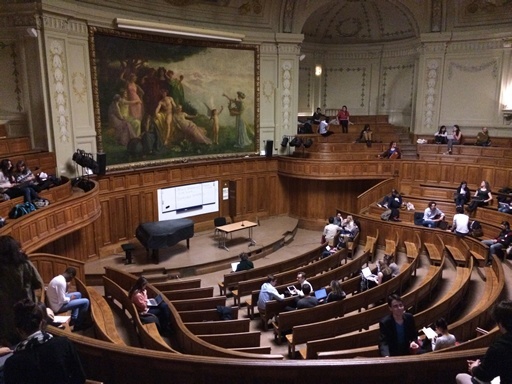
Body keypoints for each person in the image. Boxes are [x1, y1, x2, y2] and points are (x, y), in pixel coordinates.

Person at [3, 298, 86, 384]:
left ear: (19, 330)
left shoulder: (12, 363)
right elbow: (80, 378)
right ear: (42, 323)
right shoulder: (64, 344)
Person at [0, 235, 43, 346]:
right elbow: (38, 283)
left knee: (12, 343)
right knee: (30, 341)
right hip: (26, 308)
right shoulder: (24, 263)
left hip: (6, 313)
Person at [455, 300, 512, 384]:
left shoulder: (499, 347)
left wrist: (474, 367)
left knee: (460, 377)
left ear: (500, 323)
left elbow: (483, 376)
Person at [46, 267, 90, 332]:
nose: (71, 280)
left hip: (56, 302)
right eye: (72, 278)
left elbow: (62, 295)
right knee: (86, 302)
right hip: (57, 306)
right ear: (71, 275)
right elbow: (62, 300)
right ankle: (78, 324)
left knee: (78, 294)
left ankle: (74, 319)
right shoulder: (61, 282)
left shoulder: (59, 278)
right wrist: (70, 298)